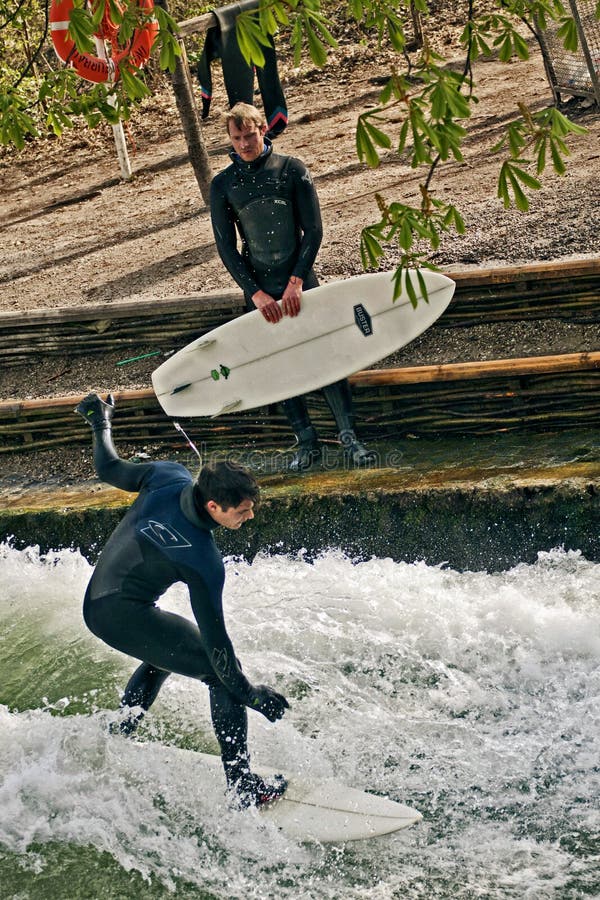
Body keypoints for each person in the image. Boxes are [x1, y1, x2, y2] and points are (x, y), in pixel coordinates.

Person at [76, 391, 289, 809]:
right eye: (242, 511)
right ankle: (242, 787)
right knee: (219, 673)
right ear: (214, 505)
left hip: (101, 602)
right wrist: (250, 693)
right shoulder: (203, 561)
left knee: (165, 653)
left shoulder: (167, 475)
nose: (250, 517)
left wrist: (100, 421)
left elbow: (108, 467)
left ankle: (119, 733)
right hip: (118, 613)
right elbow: (218, 645)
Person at [209, 102, 376, 472]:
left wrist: (297, 280)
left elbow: (313, 230)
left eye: (250, 135)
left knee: (327, 357)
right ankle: (307, 442)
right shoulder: (223, 184)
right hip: (260, 291)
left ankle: (350, 438)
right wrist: (255, 294)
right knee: (281, 365)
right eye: (236, 138)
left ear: (263, 128)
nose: (244, 144)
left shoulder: (291, 170)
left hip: (301, 282)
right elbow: (226, 247)